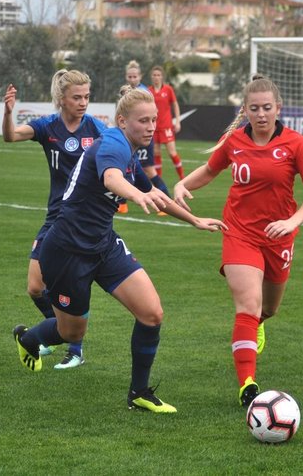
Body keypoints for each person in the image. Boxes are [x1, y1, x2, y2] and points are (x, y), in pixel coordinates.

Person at [12, 85, 226, 414]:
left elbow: (153, 191)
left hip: (103, 245)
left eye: (154, 120)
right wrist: (137, 196)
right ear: (123, 121)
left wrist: (193, 220)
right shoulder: (113, 143)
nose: (151, 127)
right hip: (67, 251)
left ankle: (139, 392)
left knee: (152, 313)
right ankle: (28, 339)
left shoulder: (129, 151)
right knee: (71, 332)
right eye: (143, 121)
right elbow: (111, 177)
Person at [174, 75, 303, 408]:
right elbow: (210, 171)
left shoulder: (296, 144)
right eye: (254, 108)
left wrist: (291, 222)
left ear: (278, 108)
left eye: (267, 108)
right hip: (239, 232)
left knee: (267, 309)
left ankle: (258, 325)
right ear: (246, 110)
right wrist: (184, 184)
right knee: (248, 305)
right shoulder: (235, 141)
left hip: (279, 237)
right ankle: (248, 385)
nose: (261, 114)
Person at [2, 69, 107, 370]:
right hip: (55, 217)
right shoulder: (48, 127)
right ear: (61, 99)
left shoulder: (96, 129)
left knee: (75, 284)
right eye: (77, 97)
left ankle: (75, 348)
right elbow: (10, 136)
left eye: (87, 96)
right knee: (35, 287)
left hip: (84, 221)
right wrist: (8, 114)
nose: (83, 102)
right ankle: (58, 331)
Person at [116, 60, 170, 214]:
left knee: (149, 172)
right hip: (128, 139)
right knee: (125, 168)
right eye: (130, 76)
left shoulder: (144, 93)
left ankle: (166, 201)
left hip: (142, 139)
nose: (132, 79)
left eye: (135, 76)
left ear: (139, 77)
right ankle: (121, 204)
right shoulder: (125, 93)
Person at [149, 65, 184, 179]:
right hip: (154, 127)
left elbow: (175, 104)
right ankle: (159, 181)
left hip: (166, 127)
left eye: (158, 75)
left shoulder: (168, 89)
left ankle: (182, 178)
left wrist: (177, 121)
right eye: (154, 75)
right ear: (151, 77)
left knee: (172, 153)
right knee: (156, 153)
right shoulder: (148, 91)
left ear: (162, 77)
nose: (156, 77)